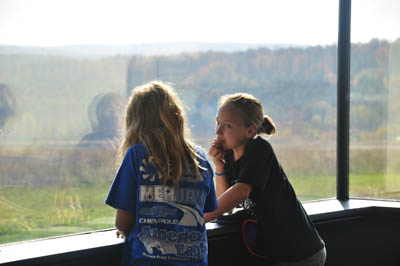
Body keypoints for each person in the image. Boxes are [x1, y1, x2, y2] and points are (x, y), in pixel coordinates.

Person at [204, 93, 326, 266]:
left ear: (250, 131)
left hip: (302, 252)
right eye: (218, 123)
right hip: (279, 252)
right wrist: (219, 166)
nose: (218, 131)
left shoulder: (259, 149)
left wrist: (200, 218)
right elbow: (225, 205)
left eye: (227, 126)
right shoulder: (231, 156)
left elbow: (240, 192)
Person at [105, 81, 218, 266]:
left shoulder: (136, 156)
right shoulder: (200, 159)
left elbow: (123, 222)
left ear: (135, 121)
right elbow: (205, 212)